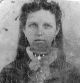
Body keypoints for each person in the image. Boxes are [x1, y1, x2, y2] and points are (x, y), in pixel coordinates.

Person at [0, 0, 80, 83]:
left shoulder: (71, 73)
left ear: (56, 30)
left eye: (47, 26)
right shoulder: (8, 72)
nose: (39, 32)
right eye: (33, 25)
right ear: (24, 29)